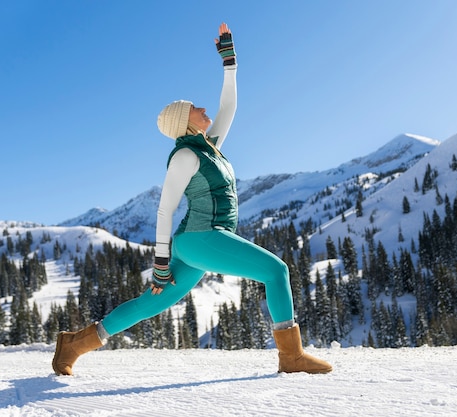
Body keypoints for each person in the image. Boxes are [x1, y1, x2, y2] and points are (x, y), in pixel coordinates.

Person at [52, 22, 332, 376]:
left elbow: (228, 106)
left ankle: (73, 344)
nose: (205, 109)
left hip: (200, 240)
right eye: (196, 108)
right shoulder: (185, 156)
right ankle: (291, 357)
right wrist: (160, 264)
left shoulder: (209, 147)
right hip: (201, 237)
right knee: (276, 271)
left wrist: (229, 63)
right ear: (185, 122)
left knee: (151, 302)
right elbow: (165, 209)